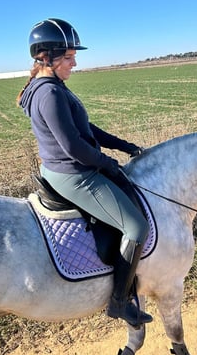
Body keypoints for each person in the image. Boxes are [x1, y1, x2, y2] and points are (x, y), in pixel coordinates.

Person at [17, 18, 152, 327]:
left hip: (57, 169)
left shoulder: (49, 87)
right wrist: (107, 164)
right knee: (136, 228)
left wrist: (123, 145)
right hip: (75, 174)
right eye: (68, 57)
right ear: (46, 57)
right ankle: (119, 302)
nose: (75, 62)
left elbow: (85, 129)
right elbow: (73, 146)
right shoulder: (49, 93)